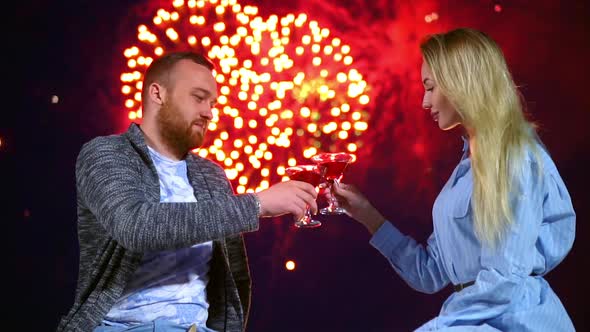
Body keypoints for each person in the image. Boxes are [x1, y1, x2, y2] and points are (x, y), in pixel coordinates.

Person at [333, 28, 576, 331]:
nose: (424, 102)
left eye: (431, 87)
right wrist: (367, 215)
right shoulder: (465, 172)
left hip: (515, 321)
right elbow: (429, 274)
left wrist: (439, 327)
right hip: (475, 320)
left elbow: (505, 277)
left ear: (462, 82)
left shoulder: (515, 157)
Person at [57, 51, 318, 332]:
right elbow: (134, 226)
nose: (209, 112)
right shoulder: (107, 153)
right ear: (157, 93)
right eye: (198, 97)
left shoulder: (212, 175)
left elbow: (233, 280)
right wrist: (256, 204)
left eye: (213, 102)